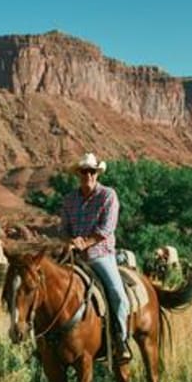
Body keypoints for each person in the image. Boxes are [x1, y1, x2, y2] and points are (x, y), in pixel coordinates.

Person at [60, 152, 132, 363]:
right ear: (78, 174)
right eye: (84, 172)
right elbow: (63, 228)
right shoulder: (69, 200)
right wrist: (71, 241)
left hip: (100, 255)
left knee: (118, 294)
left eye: (91, 171)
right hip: (74, 254)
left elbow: (106, 229)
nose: (88, 175)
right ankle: (46, 339)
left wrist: (85, 242)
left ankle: (121, 338)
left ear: (97, 173)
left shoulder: (108, 195)